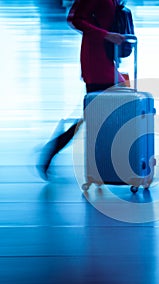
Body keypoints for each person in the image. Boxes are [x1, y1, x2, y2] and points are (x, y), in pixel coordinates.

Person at [37, 0, 126, 180]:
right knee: (103, 109)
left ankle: (122, 164)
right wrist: (106, 35)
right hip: (96, 59)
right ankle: (124, 165)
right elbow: (75, 19)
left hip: (107, 57)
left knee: (99, 111)